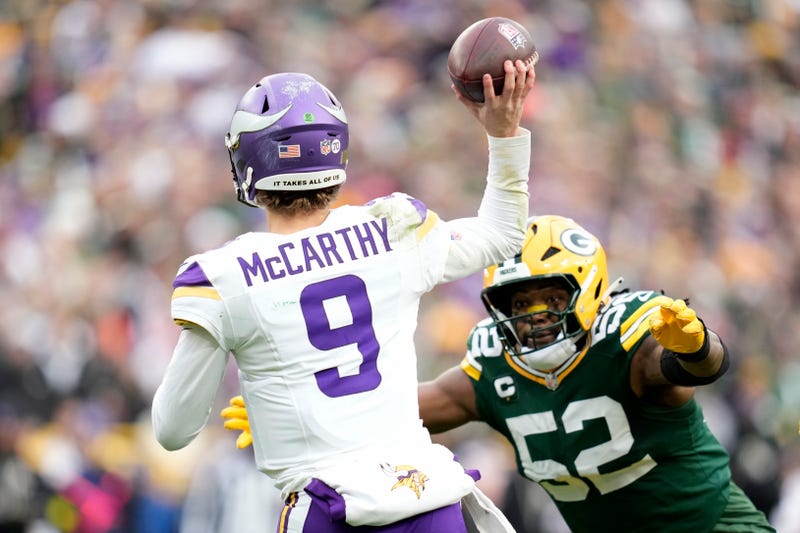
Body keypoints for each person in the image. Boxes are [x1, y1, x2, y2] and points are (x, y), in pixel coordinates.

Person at [152, 62, 535, 533]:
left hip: (330, 510)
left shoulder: (226, 276)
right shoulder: (393, 232)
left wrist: (278, 406)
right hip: (428, 501)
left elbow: (173, 429)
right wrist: (504, 132)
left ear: (247, 159)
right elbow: (503, 233)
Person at [223, 214, 776, 532]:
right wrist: (304, 414)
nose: (533, 314)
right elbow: (395, 410)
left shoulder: (628, 340)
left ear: (590, 290)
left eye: (549, 296)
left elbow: (692, 368)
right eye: (518, 300)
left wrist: (700, 344)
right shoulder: (494, 364)